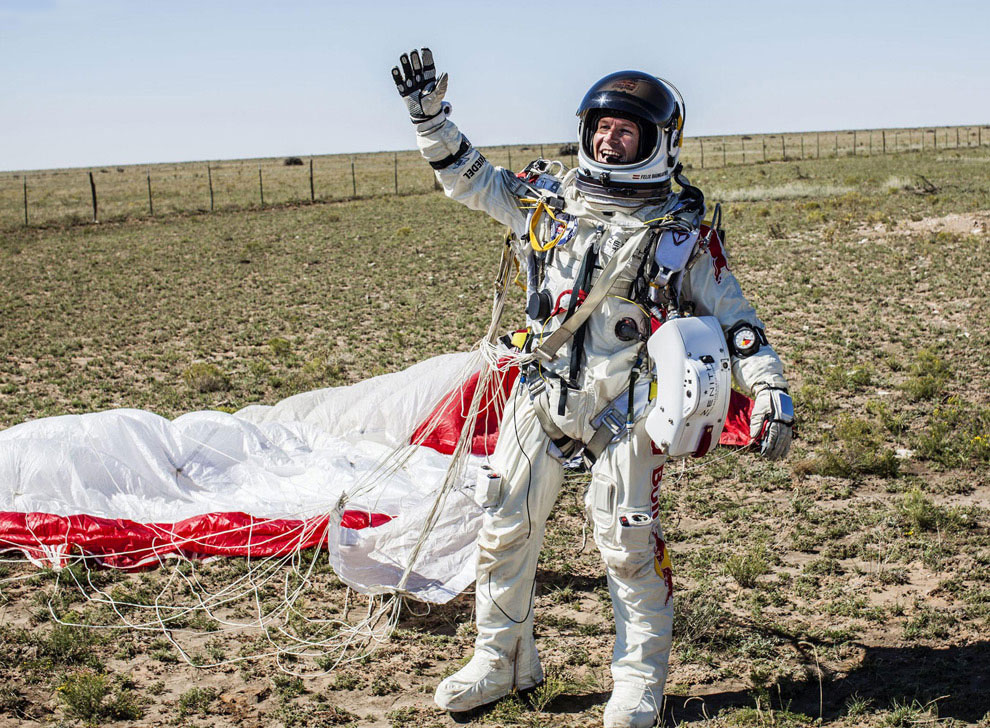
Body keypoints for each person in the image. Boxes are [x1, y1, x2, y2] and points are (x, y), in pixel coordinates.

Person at [391, 48, 794, 728]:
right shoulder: (546, 203)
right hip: (542, 390)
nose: (610, 139)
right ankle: (502, 661)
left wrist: (770, 388)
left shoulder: (680, 232)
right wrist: (429, 119)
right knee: (503, 528)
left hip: (627, 405)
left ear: (657, 142)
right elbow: (469, 179)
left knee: (627, 544)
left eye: (626, 130)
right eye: (602, 127)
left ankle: (637, 684)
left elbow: (736, 318)